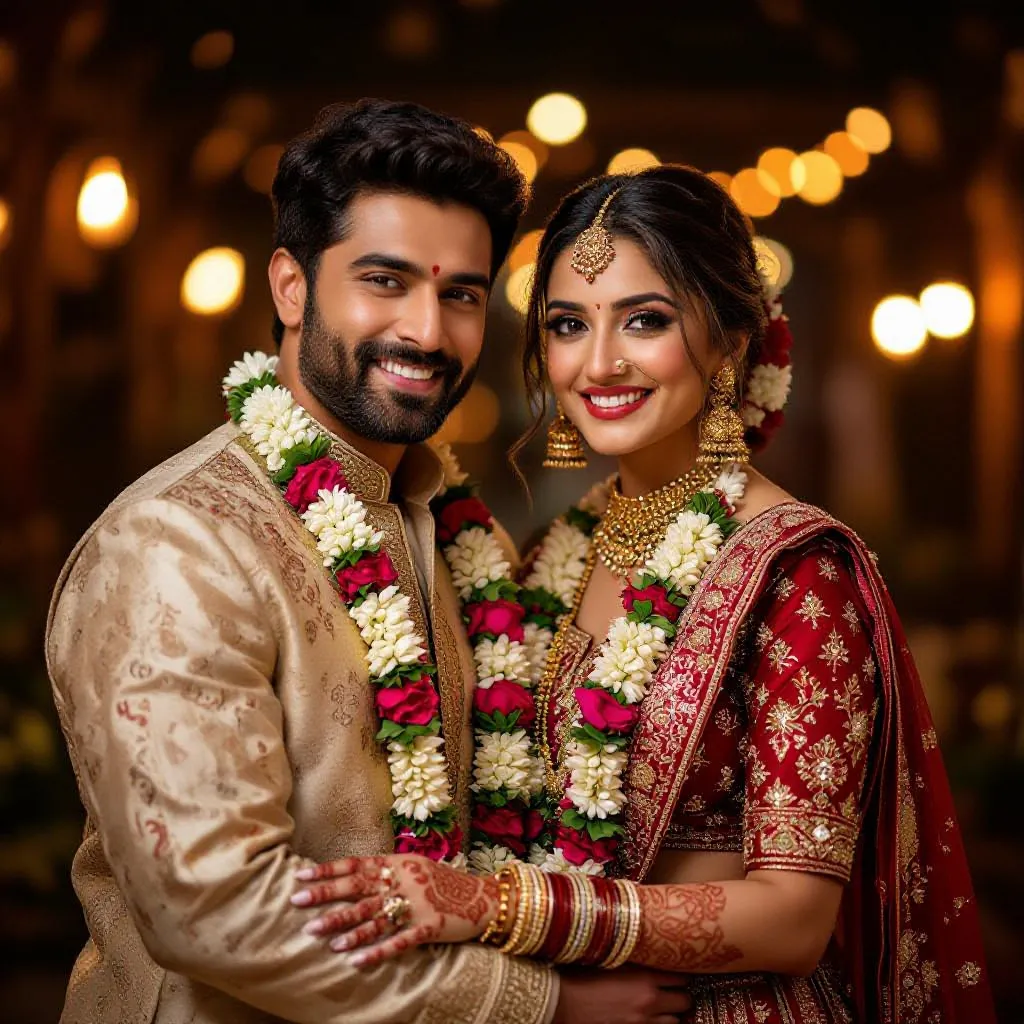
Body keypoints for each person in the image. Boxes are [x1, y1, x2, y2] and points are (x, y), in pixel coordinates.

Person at [293, 166, 997, 1023]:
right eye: (566, 325)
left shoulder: (799, 571)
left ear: (732, 340)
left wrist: (503, 906)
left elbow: (794, 918)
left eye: (646, 320)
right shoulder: (558, 550)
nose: (598, 363)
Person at [46, 99, 692, 1024]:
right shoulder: (178, 544)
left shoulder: (441, 528)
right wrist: (541, 1006)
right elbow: (215, 911)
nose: (427, 332)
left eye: (461, 294)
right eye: (384, 281)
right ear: (291, 287)